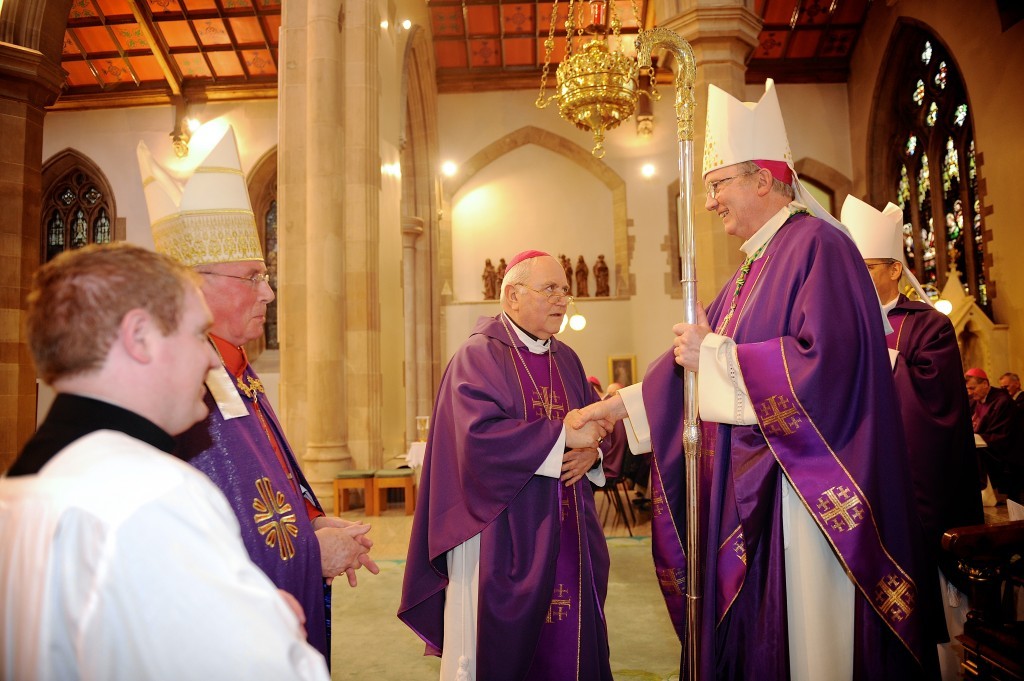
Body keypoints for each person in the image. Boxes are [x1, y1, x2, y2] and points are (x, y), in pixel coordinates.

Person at [576, 80, 939, 680]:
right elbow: (685, 369)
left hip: (808, 494)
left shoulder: (821, 247)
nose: (711, 202)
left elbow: (828, 368)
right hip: (760, 487)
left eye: (719, 185)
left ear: (762, 180)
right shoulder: (753, 269)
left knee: (810, 643)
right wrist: (616, 411)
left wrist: (717, 357)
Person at [1, 243, 330, 680]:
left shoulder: (18, 489)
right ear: (138, 337)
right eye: (198, 335)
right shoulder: (153, 493)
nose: (212, 358)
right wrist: (279, 624)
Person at [137, 124, 377, 662]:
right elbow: (186, 550)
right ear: (195, 284)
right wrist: (310, 554)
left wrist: (313, 520)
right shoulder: (177, 392)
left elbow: (265, 486)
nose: (268, 292)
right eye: (254, 277)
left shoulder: (236, 373)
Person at [399, 250, 614, 681]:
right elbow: (474, 441)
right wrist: (560, 437)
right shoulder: (478, 356)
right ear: (512, 296)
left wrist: (594, 452)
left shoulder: (567, 358)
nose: (562, 299)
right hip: (500, 532)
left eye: (565, 290)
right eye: (550, 289)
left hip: (569, 530)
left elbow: (596, 423)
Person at [842, 195, 983, 679]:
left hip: (907, 494)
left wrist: (875, 368)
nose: (855, 278)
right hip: (849, 488)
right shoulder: (838, 326)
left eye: (866, 267)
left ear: (895, 272)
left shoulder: (928, 326)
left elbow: (936, 409)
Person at [966, 367, 1020, 499]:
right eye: (968, 389)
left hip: (1004, 454)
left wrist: (977, 438)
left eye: (972, 388)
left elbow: (1002, 435)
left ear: (985, 384)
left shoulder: (1002, 401)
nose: (970, 393)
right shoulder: (974, 401)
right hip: (984, 446)